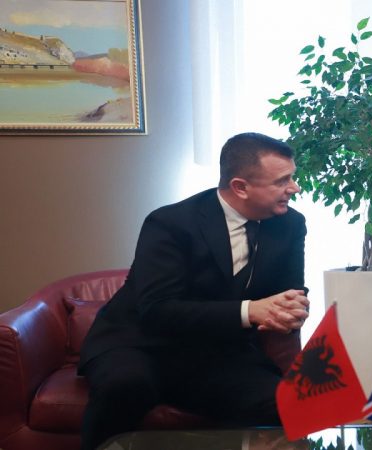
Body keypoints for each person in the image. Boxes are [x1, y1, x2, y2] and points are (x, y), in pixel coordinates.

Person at [79, 132, 310, 449]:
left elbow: (290, 290)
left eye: (292, 177)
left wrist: (294, 308)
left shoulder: (290, 225)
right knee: (125, 387)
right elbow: (157, 309)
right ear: (240, 187)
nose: (294, 188)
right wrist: (251, 310)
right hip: (140, 344)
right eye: (282, 181)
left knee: (286, 404)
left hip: (216, 353)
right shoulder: (170, 223)